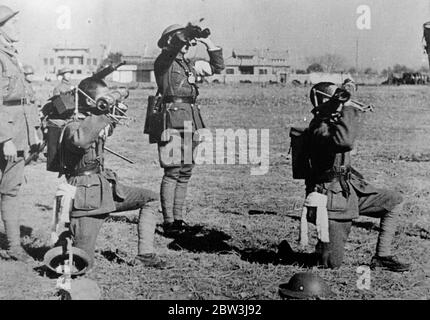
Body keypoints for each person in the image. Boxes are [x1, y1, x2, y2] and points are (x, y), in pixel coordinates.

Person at [279, 82, 410, 272]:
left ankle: (382, 256)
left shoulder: (333, 121)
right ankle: (292, 256)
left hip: (350, 190)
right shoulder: (319, 127)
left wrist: (350, 108)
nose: (340, 100)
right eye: (335, 97)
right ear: (323, 100)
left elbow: (348, 131)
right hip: (331, 201)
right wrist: (347, 107)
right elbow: (345, 140)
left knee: (394, 201)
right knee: (332, 263)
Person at [61, 76, 166, 269]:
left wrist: (114, 113)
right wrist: (103, 114)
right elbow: (81, 141)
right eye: (104, 99)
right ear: (89, 101)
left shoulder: (92, 121)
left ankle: (146, 255)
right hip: (86, 198)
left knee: (150, 198)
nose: (108, 101)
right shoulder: (73, 125)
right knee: (82, 263)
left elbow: (104, 131)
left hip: (103, 189)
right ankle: (65, 244)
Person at [154, 24, 224, 236]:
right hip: (173, 120)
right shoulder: (164, 62)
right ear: (170, 41)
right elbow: (174, 46)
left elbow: (218, 67)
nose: (188, 45)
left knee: (185, 172)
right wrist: (188, 32)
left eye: (190, 43)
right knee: (172, 171)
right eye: (183, 41)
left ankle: (178, 219)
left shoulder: (190, 65)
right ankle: (168, 221)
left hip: (191, 120)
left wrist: (207, 42)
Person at [0, 6, 41, 262]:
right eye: (13, 24)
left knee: (10, 188)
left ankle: (13, 245)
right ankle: (14, 246)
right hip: (7, 133)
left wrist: (34, 130)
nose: (18, 28)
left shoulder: (10, 55)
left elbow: (27, 98)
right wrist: (5, 138)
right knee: (10, 190)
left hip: (17, 131)